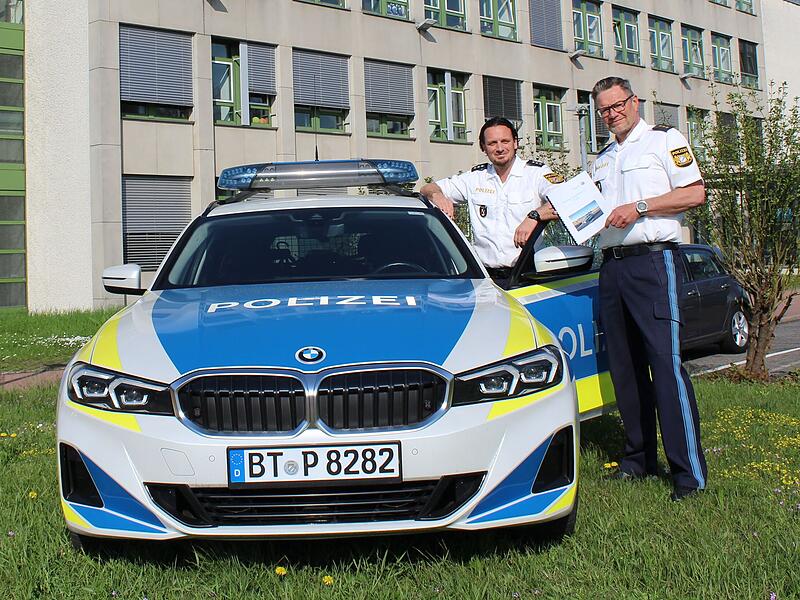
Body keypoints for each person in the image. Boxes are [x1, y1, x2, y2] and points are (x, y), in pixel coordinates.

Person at [590, 77, 708, 501]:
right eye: (604, 110)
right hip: (613, 268)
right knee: (625, 369)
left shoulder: (664, 140)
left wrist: (639, 207)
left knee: (666, 364)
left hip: (654, 263)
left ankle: (688, 475)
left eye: (618, 105)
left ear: (634, 102)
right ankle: (638, 459)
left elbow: (695, 194)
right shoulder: (601, 159)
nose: (612, 114)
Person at [420, 117, 561, 283]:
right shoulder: (475, 178)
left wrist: (534, 217)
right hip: (485, 279)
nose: (500, 148)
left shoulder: (537, 174)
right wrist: (438, 196)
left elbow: (565, 200)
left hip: (528, 275)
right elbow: (427, 188)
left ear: (515, 143)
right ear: (483, 148)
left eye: (505, 141)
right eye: (492, 143)